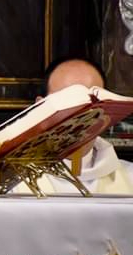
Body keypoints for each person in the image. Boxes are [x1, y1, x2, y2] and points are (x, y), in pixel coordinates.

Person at [13, 57, 133, 194]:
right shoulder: (5, 185)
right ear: (40, 108)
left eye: (91, 102)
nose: (78, 115)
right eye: (67, 101)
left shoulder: (130, 177)